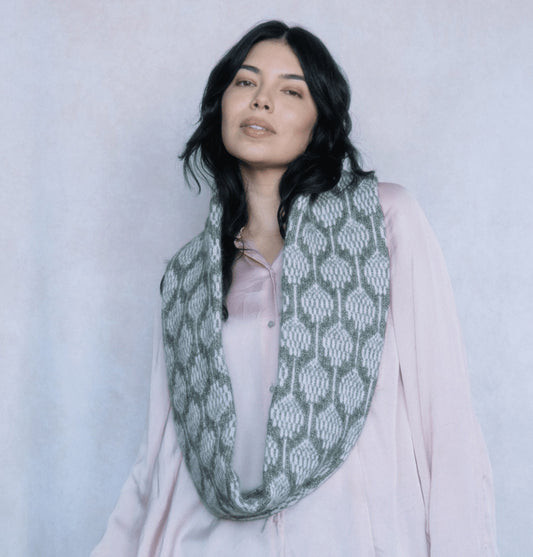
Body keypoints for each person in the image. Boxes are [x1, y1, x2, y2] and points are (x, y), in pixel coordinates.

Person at [90, 20, 498, 557]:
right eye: (245, 82)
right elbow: (160, 458)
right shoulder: (189, 278)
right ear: (221, 105)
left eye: (291, 91)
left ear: (319, 120)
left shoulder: (382, 222)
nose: (261, 100)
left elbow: (444, 422)